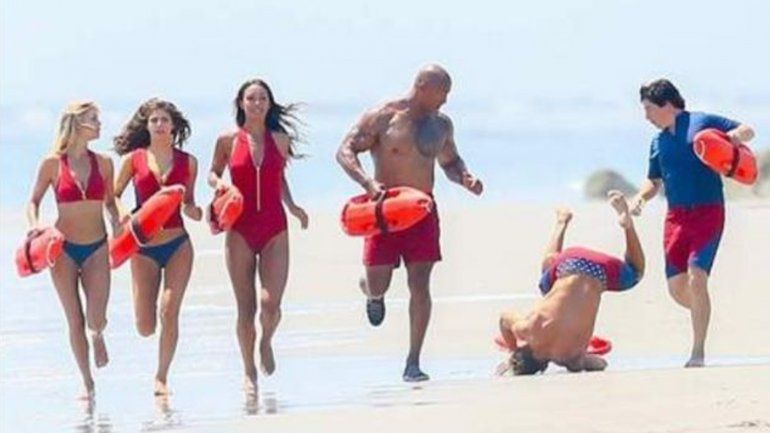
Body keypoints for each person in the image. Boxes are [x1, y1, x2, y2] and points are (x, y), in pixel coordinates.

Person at [336, 64, 483, 382]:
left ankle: (413, 361)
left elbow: (450, 161)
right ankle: (371, 292)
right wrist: (367, 182)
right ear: (423, 87)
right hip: (384, 210)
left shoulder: (441, 125)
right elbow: (345, 151)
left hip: (422, 211)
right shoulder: (382, 117)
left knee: (420, 283)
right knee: (379, 282)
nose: (445, 101)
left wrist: (465, 178)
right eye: (442, 93)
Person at [629, 79, 756, 367]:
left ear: (666, 104)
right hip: (676, 218)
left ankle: (698, 352)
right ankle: (703, 308)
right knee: (677, 289)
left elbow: (748, 130)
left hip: (708, 212)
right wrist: (640, 198)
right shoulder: (658, 142)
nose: (646, 116)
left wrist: (732, 138)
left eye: (649, 109)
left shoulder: (702, 122)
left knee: (697, 277)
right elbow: (654, 180)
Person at [208, 79, 308, 395]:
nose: (257, 103)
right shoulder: (227, 140)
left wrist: (293, 206)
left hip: (274, 227)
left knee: (270, 304)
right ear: (241, 103)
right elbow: (213, 172)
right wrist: (220, 185)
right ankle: (249, 372)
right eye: (251, 98)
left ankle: (266, 341)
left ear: (269, 103)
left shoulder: (280, 139)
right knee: (246, 307)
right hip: (239, 228)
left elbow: (279, 178)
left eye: (262, 98)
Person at [26, 101, 122, 398]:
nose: (99, 123)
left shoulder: (104, 163)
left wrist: (117, 221)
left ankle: (98, 333)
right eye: (94, 118)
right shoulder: (52, 164)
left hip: (96, 246)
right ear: (77, 123)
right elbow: (33, 202)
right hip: (62, 250)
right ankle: (87, 383)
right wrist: (35, 226)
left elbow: (110, 202)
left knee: (96, 317)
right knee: (74, 319)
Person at [497, 191, 644, 375]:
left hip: (600, 271)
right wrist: (512, 350)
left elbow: (601, 364)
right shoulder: (526, 328)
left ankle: (628, 227)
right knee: (546, 278)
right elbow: (504, 319)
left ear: (542, 367)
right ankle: (563, 221)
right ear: (524, 347)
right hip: (568, 261)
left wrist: (581, 358)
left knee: (635, 273)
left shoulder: (571, 358)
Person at [113, 98, 202, 395]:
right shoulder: (134, 159)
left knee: (169, 311)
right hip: (143, 247)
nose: (160, 124)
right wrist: (121, 214)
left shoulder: (188, 162)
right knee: (146, 326)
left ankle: (161, 377)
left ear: (173, 126)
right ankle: (141, 306)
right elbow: (114, 195)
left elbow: (188, 201)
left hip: (178, 243)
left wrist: (194, 211)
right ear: (147, 126)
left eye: (164, 120)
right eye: (154, 120)